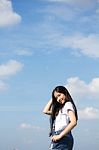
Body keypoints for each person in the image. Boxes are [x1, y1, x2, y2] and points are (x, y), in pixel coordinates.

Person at [43, 86, 78, 150]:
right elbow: (45, 111)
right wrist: (53, 98)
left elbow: (73, 122)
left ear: (65, 93)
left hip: (62, 137)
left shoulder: (68, 104)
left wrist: (60, 136)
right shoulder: (59, 110)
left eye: (59, 95)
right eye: (56, 98)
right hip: (59, 137)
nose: (58, 99)